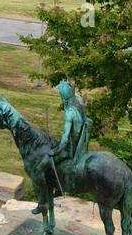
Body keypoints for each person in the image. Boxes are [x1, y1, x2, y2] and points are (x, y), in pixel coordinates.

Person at [33, 79, 91, 212]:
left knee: (42, 166)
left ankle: (43, 202)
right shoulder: (79, 102)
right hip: (80, 144)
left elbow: (64, 140)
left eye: (60, 94)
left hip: (71, 148)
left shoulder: (70, 113)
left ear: (64, 96)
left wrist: (55, 151)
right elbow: (74, 93)